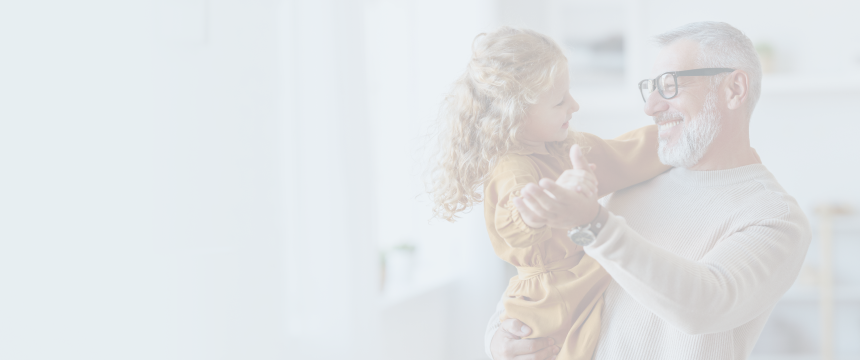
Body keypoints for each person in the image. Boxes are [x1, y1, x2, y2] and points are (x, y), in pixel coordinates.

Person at [486, 21, 812, 360]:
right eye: (651, 88)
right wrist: (498, 336)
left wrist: (594, 224)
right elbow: (555, 274)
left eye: (670, 86)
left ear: (734, 89)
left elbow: (704, 305)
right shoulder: (636, 177)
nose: (651, 106)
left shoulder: (775, 218)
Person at [428, 27, 669, 360]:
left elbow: (624, 154)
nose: (575, 105)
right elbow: (514, 220)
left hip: (577, 279)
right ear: (515, 114)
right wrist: (549, 202)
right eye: (560, 101)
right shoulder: (513, 166)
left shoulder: (564, 147)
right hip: (549, 300)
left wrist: (674, 137)